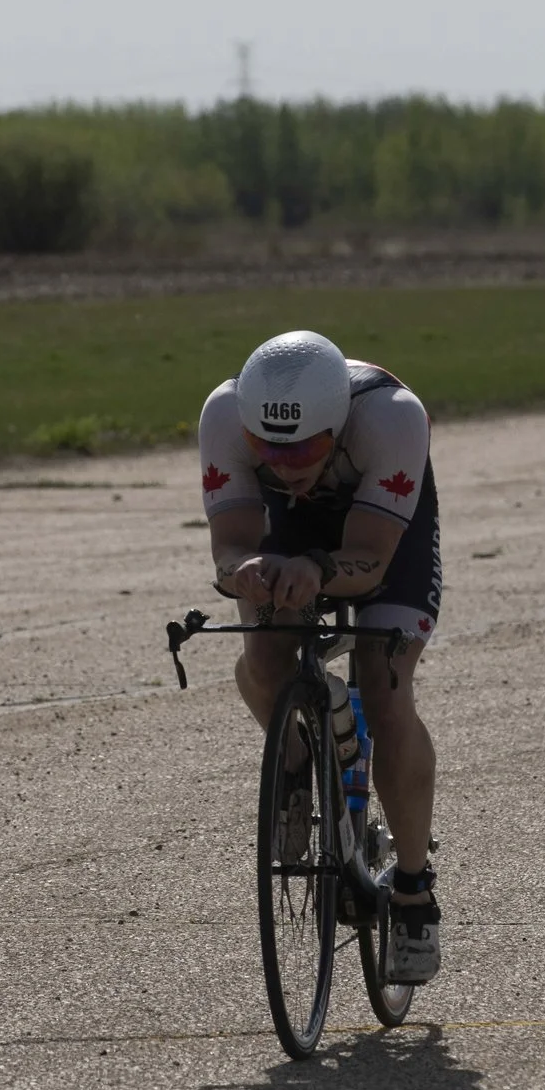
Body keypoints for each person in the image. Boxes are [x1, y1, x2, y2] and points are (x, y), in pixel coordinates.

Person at [196, 330, 444, 984]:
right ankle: (300, 762)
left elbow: (372, 562)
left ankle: (414, 891)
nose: (283, 465)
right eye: (265, 450)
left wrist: (318, 566)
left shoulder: (393, 416)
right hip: (286, 532)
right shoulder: (224, 413)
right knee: (264, 658)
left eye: (304, 449)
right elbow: (229, 548)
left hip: (380, 535)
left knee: (384, 690)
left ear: (337, 427)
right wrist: (245, 570)